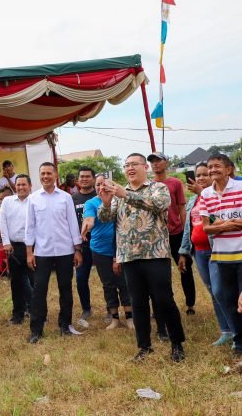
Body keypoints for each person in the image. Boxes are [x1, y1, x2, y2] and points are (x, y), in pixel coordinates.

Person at [97, 153, 186, 362]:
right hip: (130, 257)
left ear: (145, 167)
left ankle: (177, 344)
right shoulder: (119, 193)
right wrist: (107, 203)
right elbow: (105, 218)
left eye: (134, 164)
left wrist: (125, 195)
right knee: (138, 303)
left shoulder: (157, 188)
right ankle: (144, 346)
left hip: (155, 254)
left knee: (164, 300)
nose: (129, 168)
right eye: (126, 165)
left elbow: (160, 205)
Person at [25, 162, 83, 344]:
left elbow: (73, 224)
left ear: (56, 175)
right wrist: (29, 252)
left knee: (65, 288)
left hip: (65, 251)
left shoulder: (66, 197)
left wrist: (77, 250)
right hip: (42, 252)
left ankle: (65, 325)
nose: (46, 176)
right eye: (43, 173)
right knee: (39, 290)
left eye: (49, 173)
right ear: (39, 175)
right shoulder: (33, 199)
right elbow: (30, 227)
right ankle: (36, 330)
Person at [179, 162, 234, 346]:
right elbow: (188, 228)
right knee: (213, 291)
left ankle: (236, 330)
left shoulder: (217, 197)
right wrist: (183, 251)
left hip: (216, 249)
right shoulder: (192, 201)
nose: (201, 178)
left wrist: (202, 193)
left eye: (205, 174)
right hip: (198, 251)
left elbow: (218, 221)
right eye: (198, 175)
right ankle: (226, 330)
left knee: (221, 290)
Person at [199, 154, 242, 355]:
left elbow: (214, 226)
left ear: (228, 169)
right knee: (226, 298)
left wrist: (220, 225)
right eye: (210, 167)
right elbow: (206, 228)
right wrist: (228, 225)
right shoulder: (206, 194)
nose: (212, 170)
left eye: (217, 166)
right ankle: (239, 342)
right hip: (221, 256)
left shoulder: (240, 188)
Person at [81, 174, 133, 331]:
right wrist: (86, 226)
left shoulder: (120, 201)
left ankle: (130, 318)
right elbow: (89, 219)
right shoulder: (91, 203)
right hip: (100, 250)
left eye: (104, 184)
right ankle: (114, 318)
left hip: (122, 248)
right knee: (108, 284)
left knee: (124, 283)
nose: (101, 187)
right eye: (98, 185)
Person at [148, 152, 195, 315]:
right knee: (159, 273)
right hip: (156, 235)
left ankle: (190, 304)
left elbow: (182, 208)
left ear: (166, 162)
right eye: (152, 161)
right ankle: (163, 305)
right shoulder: (148, 185)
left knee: (185, 268)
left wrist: (185, 231)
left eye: (158, 160)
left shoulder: (175, 183)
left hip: (176, 233)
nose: (155, 164)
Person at [0, 174, 35, 325]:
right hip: (14, 247)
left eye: (24, 184)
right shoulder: (7, 201)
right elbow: (2, 222)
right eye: (18, 184)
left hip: (33, 247)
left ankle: (37, 312)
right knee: (16, 282)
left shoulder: (35, 201)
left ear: (30, 186)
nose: (20, 187)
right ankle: (18, 315)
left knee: (35, 281)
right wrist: (6, 242)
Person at [72, 167, 97, 324]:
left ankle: (111, 309)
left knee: (108, 279)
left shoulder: (99, 195)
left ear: (93, 179)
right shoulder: (72, 199)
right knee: (81, 278)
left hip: (100, 244)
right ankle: (86, 309)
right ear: (78, 179)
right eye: (82, 176)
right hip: (82, 246)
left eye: (88, 176)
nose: (84, 179)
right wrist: (76, 248)